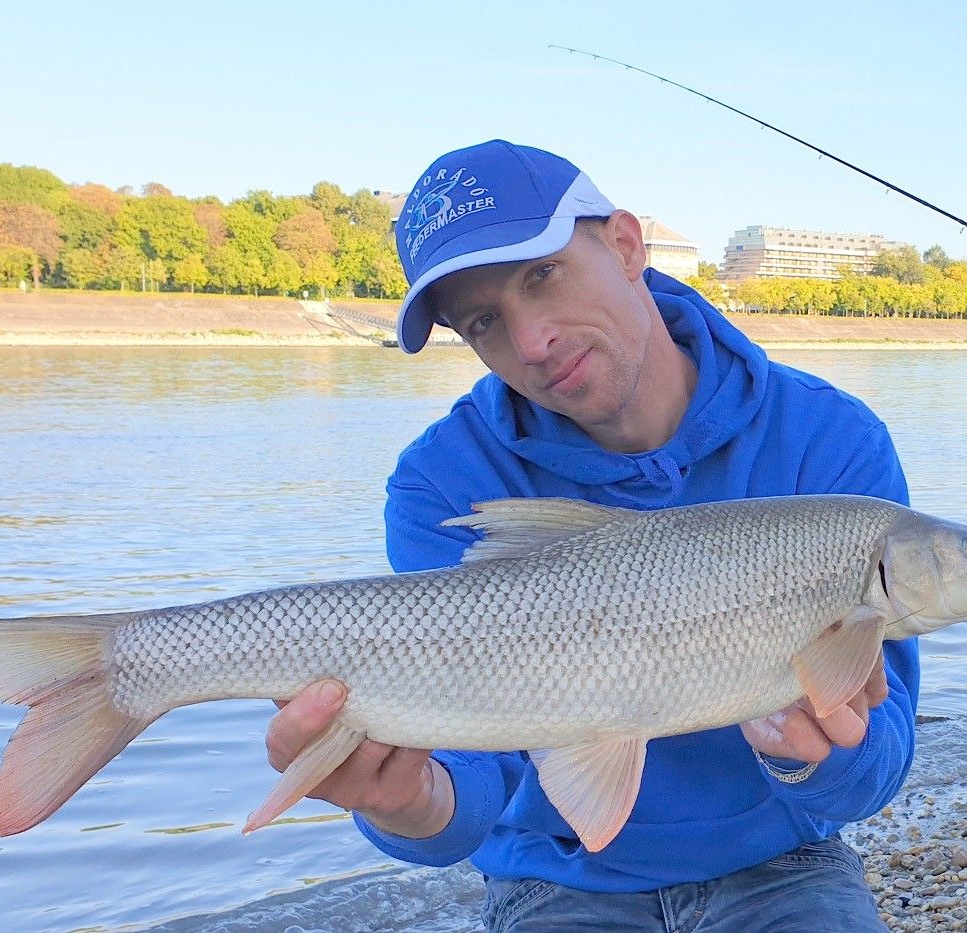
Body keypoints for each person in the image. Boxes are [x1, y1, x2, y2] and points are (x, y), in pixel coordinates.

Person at [262, 140, 915, 931]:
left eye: (542, 275)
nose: (531, 340)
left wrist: (810, 755)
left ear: (626, 245)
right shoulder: (443, 481)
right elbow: (474, 779)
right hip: (555, 876)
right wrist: (410, 802)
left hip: (780, 861)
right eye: (483, 321)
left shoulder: (828, 442)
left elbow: (876, 766)